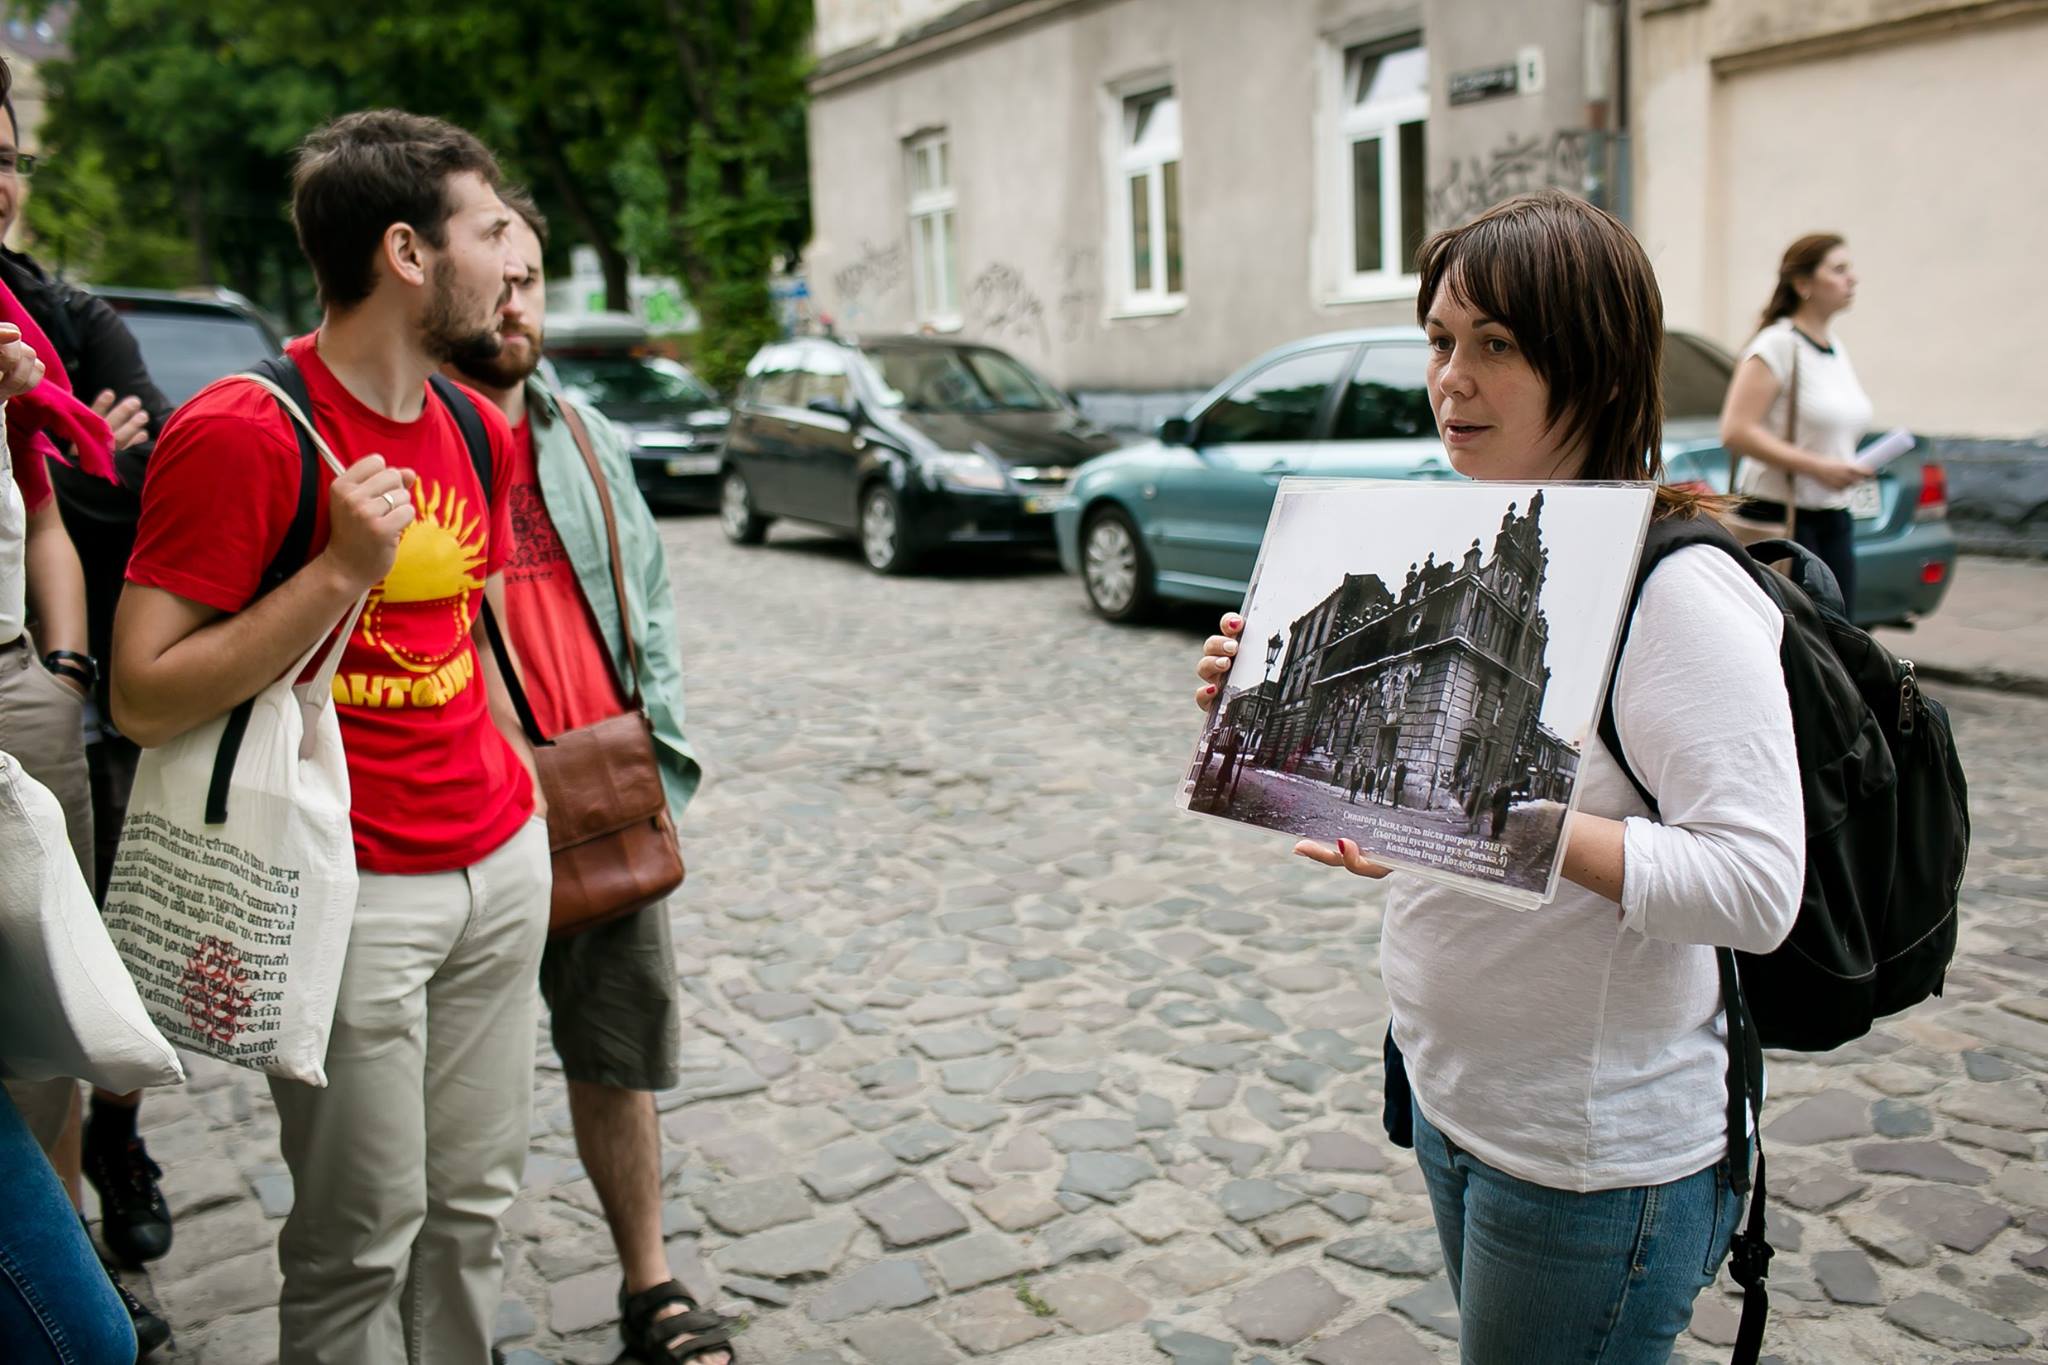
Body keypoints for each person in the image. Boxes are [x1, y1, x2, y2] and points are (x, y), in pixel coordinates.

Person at [1195, 189, 1803, 1364]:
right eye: (1437, 340)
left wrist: (1510, 821)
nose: (1450, 379)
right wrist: (1317, 759)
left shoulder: (1673, 588)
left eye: (1495, 344)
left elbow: (1753, 886)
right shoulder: (1478, 530)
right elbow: (1471, 828)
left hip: (1584, 1161)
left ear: (1590, 359)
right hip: (1455, 1103)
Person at [113, 110, 550, 1364]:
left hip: (495, 867)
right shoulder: (245, 431)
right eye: (488, 232)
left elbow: (471, 629)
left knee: (471, 1212)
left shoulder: (472, 420)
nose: (511, 262)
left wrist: (517, 791)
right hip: (350, 892)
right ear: (407, 254)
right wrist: (339, 570)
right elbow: (143, 695)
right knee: (359, 1236)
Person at [442, 188, 732, 1365]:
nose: (517, 302)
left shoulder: (588, 437)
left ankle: (648, 1286)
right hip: (458, 815)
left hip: (599, 801)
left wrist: (657, 756)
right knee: (445, 1085)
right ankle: (446, 1315)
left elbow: (648, 613)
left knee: (617, 1054)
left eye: (531, 280)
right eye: (496, 278)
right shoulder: (405, 437)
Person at [0, 86, 184, 1297]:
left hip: (79, 677)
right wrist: (77, 443)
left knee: (85, 978)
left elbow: (141, 474)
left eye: (8, 159)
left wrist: (62, 669)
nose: (2, 180)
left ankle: (89, 1201)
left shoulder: (61, 318)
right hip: (66, 668)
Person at [1718, 233, 1874, 614]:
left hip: (1833, 515)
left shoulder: (1834, 348)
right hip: (1782, 518)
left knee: (1839, 643)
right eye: (1838, 270)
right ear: (1803, 284)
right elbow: (1735, 430)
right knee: (1795, 648)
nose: (1852, 279)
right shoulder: (1777, 345)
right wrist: (1821, 467)